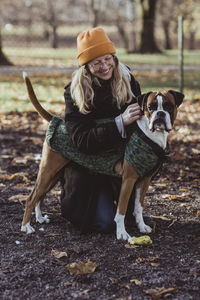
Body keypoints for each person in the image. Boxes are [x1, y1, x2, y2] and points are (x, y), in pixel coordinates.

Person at [60, 27, 141, 234]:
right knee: (105, 224)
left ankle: (127, 206)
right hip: (87, 170)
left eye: (108, 59)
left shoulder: (128, 80)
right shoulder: (75, 92)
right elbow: (82, 140)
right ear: (86, 66)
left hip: (119, 164)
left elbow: (140, 125)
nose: (105, 66)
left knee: (130, 221)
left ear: (114, 57)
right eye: (97, 62)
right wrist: (119, 122)